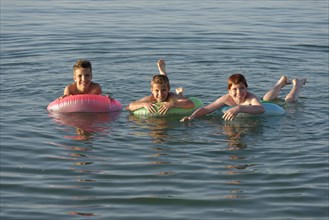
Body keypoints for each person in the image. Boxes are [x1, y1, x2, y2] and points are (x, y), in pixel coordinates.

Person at [180, 73, 265, 122]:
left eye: (242, 88)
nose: (239, 92)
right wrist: (192, 117)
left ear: (246, 88)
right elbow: (207, 109)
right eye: (234, 89)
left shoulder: (250, 97)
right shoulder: (226, 99)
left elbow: (260, 109)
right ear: (229, 91)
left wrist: (238, 108)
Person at [126, 59, 194, 115]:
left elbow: (190, 103)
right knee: (163, 83)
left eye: (163, 90)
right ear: (152, 90)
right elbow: (129, 107)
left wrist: (172, 104)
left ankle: (180, 92)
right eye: (156, 91)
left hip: (172, 97)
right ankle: (162, 72)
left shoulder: (171, 97)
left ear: (168, 90)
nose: (160, 94)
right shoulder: (151, 98)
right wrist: (144, 104)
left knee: (181, 97)